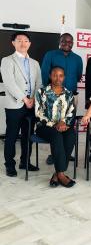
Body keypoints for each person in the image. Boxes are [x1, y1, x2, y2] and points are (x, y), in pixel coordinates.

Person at [1, 32, 42, 177]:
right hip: (15, 104)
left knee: (28, 135)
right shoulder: (7, 61)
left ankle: (25, 162)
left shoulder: (35, 63)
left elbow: (39, 83)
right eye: (19, 41)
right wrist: (25, 99)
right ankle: (9, 165)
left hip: (32, 105)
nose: (23, 43)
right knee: (11, 136)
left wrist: (34, 100)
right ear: (13, 43)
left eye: (26, 41)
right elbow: (9, 83)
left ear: (29, 44)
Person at [41, 33, 83, 165]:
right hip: (52, 97)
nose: (67, 44)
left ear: (73, 43)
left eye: (70, 42)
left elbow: (78, 76)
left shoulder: (77, 58)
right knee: (54, 127)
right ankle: (55, 155)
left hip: (71, 98)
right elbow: (44, 74)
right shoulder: (50, 54)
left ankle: (65, 153)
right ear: (60, 41)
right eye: (64, 41)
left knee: (68, 125)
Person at [35, 66, 76, 187]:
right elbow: (38, 114)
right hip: (44, 127)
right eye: (55, 75)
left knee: (71, 136)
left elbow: (71, 112)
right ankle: (62, 175)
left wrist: (64, 123)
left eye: (61, 75)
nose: (58, 78)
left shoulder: (69, 94)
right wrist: (55, 125)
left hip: (63, 126)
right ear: (50, 76)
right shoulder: (41, 92)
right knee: (56, 135)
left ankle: (57, 173)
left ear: (64, 77)